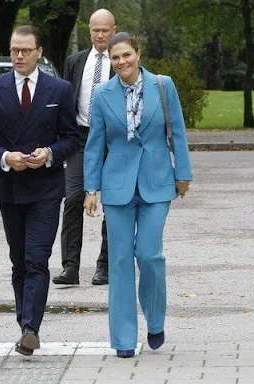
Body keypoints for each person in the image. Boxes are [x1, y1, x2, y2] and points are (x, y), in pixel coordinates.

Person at [83, 32, 192, 358]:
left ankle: (155, 319)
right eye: (115, 58)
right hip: (117, 186)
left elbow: (179, 131)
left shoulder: (163, 85)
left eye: (126, 55)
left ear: (138, 53)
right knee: (118, 262)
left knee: (148, 254)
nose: (121, 62)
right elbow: (94, 145)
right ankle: (124, 339)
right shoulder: (102, 95)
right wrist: (92, 189)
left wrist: (183, 173)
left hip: (158, 183)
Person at [0, 26, 79, 356]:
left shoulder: (59, 89)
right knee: (19, 260)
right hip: (9, 187)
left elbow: (72, 138)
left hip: (45, 188)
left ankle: (31, 327)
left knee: (37, 258)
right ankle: (25, 325)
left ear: (39, 52)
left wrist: (48, 154)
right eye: (14, 50)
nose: (18, 56)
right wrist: (6, 157)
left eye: (25, 50)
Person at [54, 8, 116, 286]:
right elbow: (66, 100)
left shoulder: (122, 61)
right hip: (80, 138)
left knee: (114, 203)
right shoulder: (75, 61)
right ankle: (70, 267)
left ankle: (104, 266)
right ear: (89, 31)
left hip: (114, 140)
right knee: (74, 198)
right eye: (95, 30)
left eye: (105, 30)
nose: (100, 34)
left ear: (113, 31)